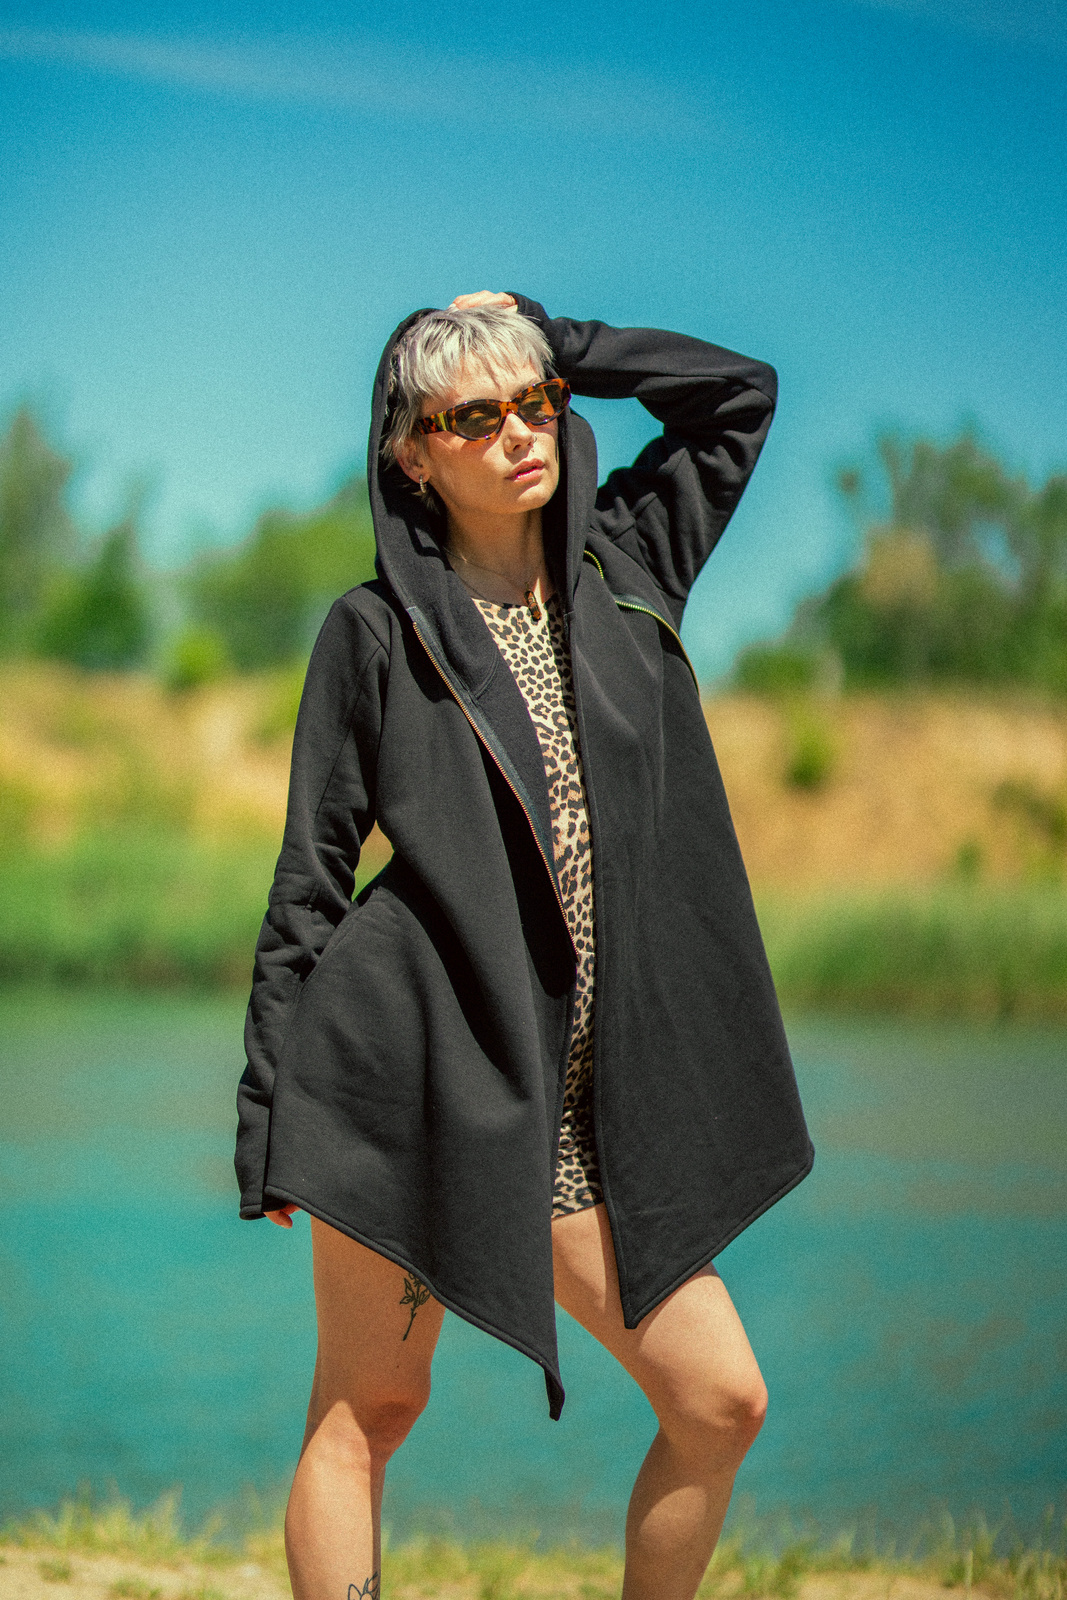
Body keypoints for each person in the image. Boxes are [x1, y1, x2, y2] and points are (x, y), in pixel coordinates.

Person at [235, 291, 813, 1600]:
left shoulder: (629, 562)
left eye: (535, 402)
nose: (520, 433)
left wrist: (565, 340)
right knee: (370, 1410)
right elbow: (311, 879)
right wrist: (266, 1110)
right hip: (416, 1077)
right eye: (476, 416)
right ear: (412, 455)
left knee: (721, 1401)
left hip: (595, 1103)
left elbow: (741, 396)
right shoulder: (375, 634)